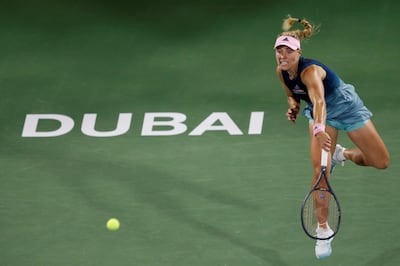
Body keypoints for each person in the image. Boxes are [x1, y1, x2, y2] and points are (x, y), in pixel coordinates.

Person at [273, 16, 390, 259]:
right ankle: (323, 229)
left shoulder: (311, 71)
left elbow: (318, 101)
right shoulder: (282, 72)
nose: (283, 56)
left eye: (288, 51)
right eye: (279, 51)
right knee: (320, 172)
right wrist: (293, 106)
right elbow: (293, 95)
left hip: (345, 109)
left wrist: (319, 129)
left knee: (381, 162)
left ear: (299, 52)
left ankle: (342, 154)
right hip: (320, 118)